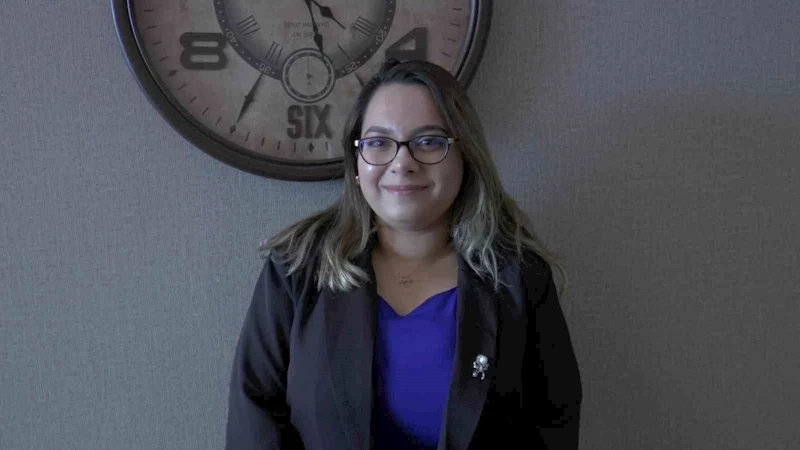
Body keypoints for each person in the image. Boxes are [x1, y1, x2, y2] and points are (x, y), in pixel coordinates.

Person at [224, 59, 582, 450]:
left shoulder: (520, 278)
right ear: (356, 162)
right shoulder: (295, 267)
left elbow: (553, 423)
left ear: (465, 156)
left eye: (428, 141)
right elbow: (253, 416)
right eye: (379, 142)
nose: (402, 162)